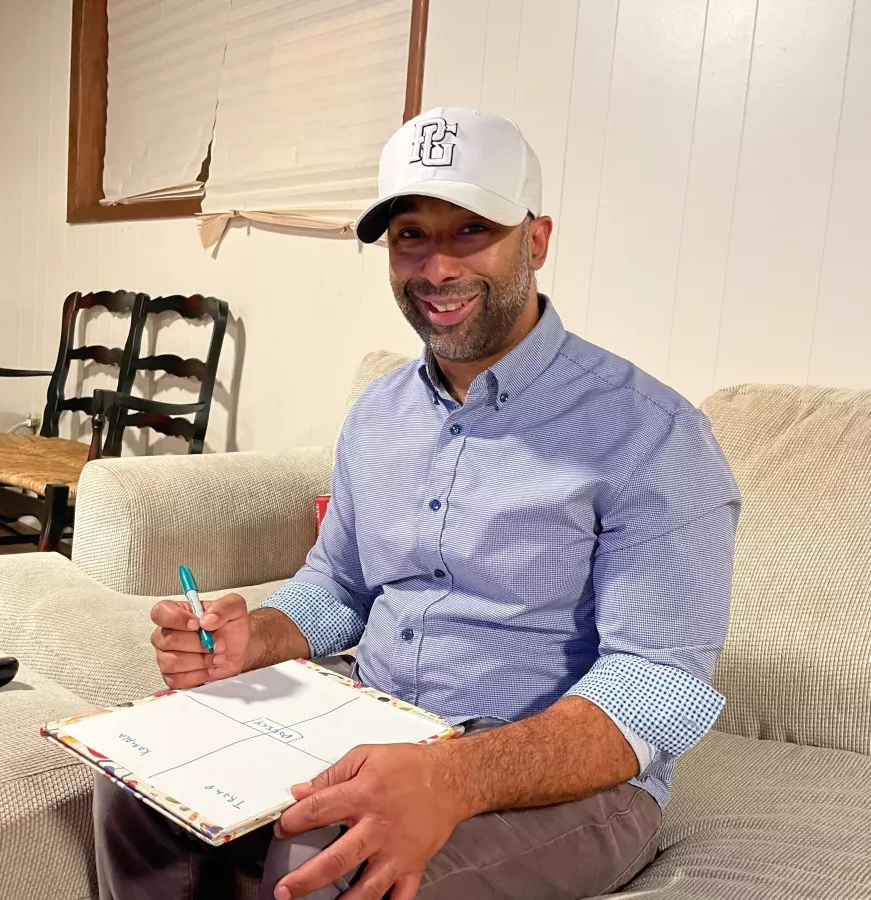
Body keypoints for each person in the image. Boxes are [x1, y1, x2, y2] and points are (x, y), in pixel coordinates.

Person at [95, 106, 741, 900]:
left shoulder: (651, 433)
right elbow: (339, 587)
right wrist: (251, 638)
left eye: (472, 230)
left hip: (563, 779)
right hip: (376, 716)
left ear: (536, 241)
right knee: (140, 784)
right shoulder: (379, 412)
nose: (437, 268)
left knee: (333, 865)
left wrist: (451, 777)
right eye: (410, 236)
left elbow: (655, 689)